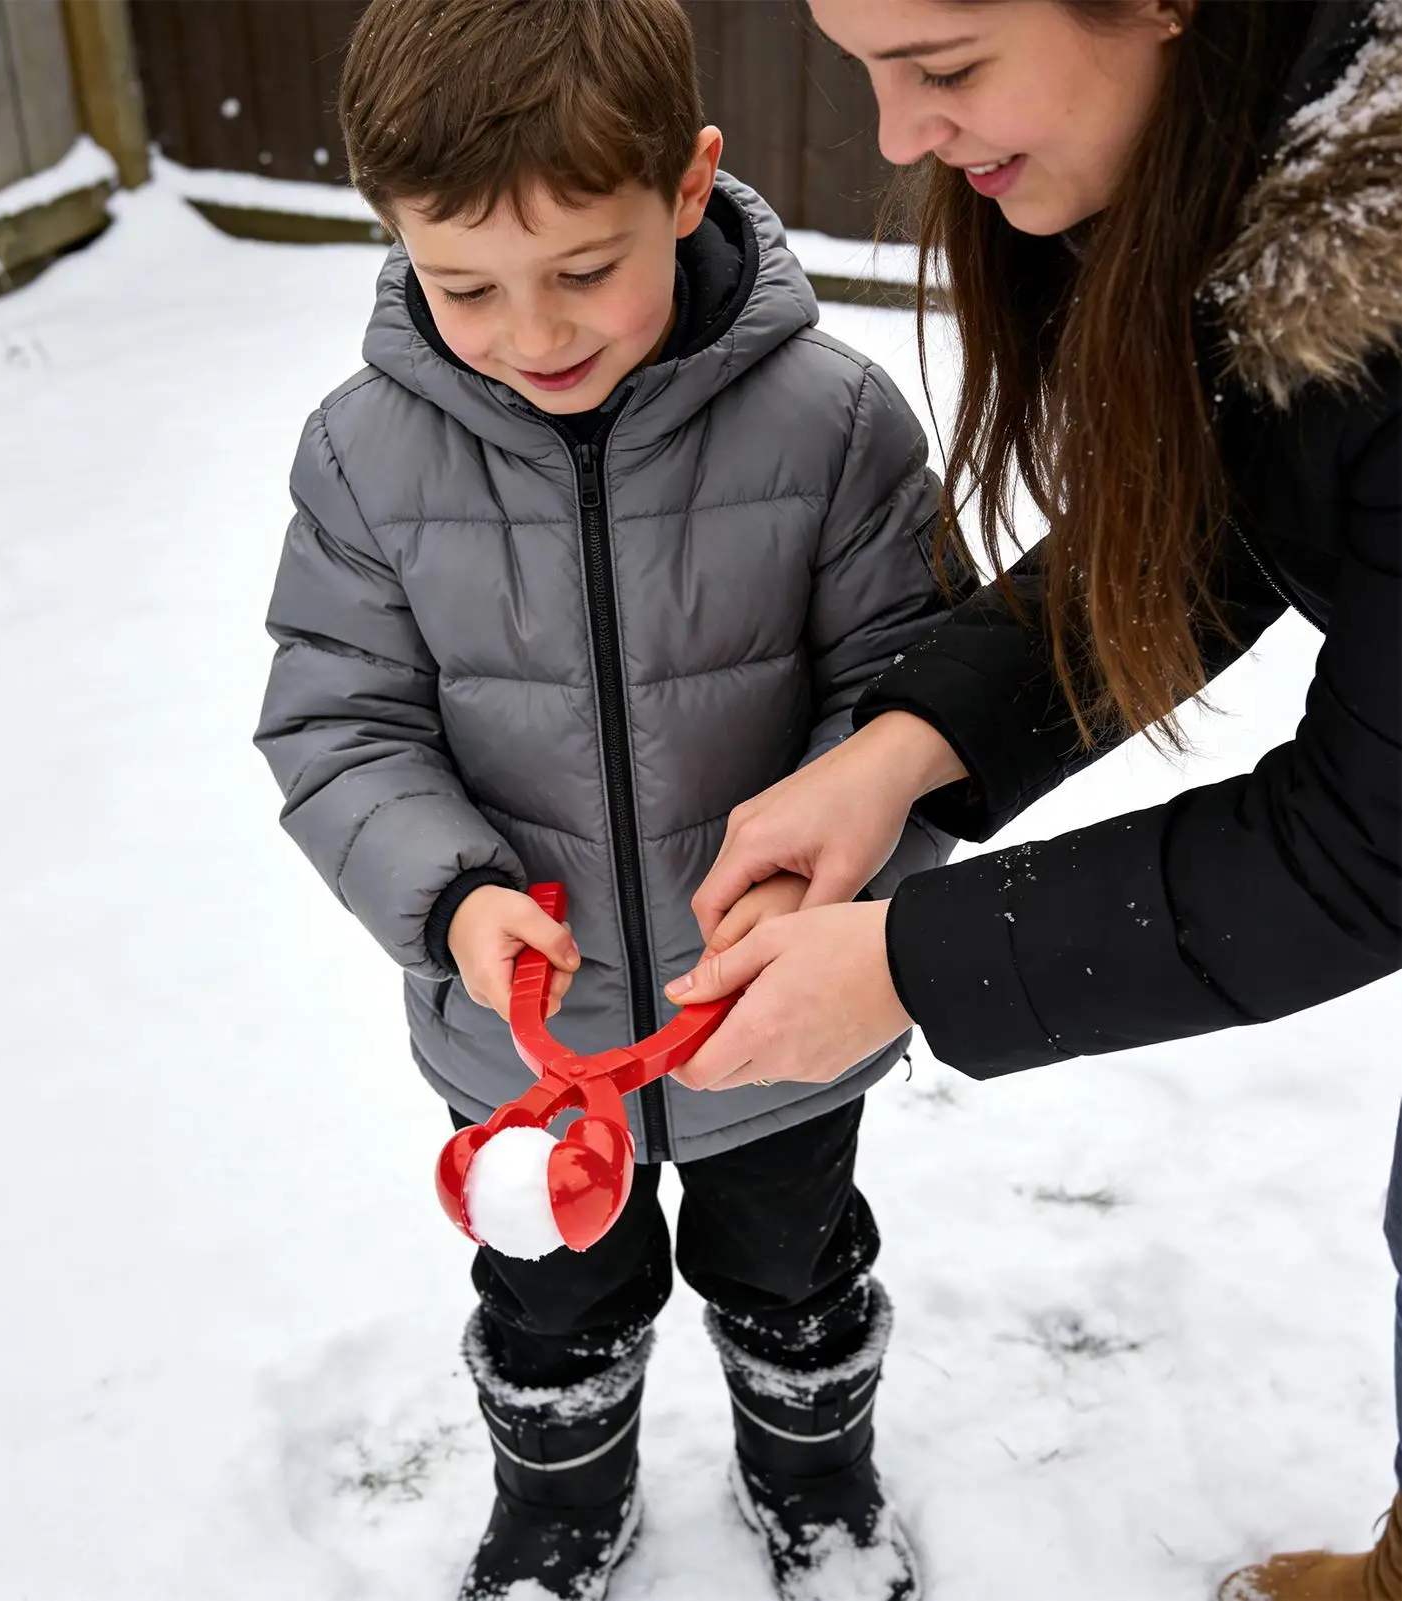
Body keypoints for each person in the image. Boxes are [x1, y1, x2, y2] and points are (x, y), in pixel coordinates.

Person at [660, 2, 1402, 1597]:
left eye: (941, 66)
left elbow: (1368, 846)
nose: (893, 138)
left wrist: (904, 966)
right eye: (868, 68)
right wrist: (911, 743)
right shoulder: (1291, 199)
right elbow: (1233, 526)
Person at [253, 2, 966, 1595]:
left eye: (585, 268)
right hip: (524, 1039)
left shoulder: (833, 427)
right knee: (551, 1300)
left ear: (691, 185)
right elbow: (337, 722)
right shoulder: (367, 461)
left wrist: (838, 884)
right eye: (464, 286)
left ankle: (818, 1488)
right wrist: (446, 896)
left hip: (774, 1018)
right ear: (395, 240)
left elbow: (917, 699)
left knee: (793, 1269)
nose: (530, 331)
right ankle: (563, 1507)